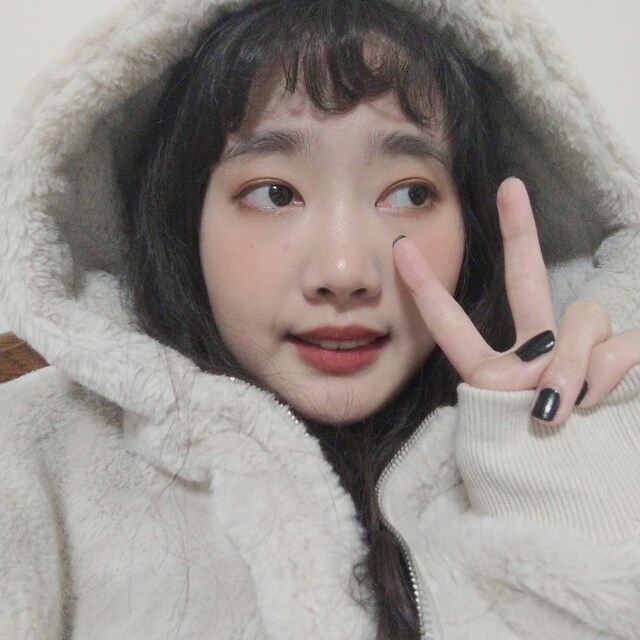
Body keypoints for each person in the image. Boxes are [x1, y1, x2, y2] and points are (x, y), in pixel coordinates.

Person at [0, 0, 639, 638]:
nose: (343, 270)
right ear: (185, 220)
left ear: (474, 227)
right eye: (274, 193)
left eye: (410, 193)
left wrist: (559, 460)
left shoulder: (610, 427)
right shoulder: (28, 463)